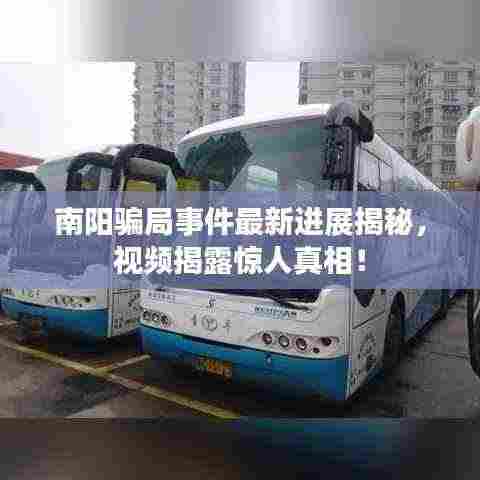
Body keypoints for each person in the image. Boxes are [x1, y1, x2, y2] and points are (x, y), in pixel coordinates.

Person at [456, 106, 480, 190]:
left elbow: (470, 130)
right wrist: (469, 153)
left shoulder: (475, 113)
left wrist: (468, 155)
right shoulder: (477, 113)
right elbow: (470, 129)